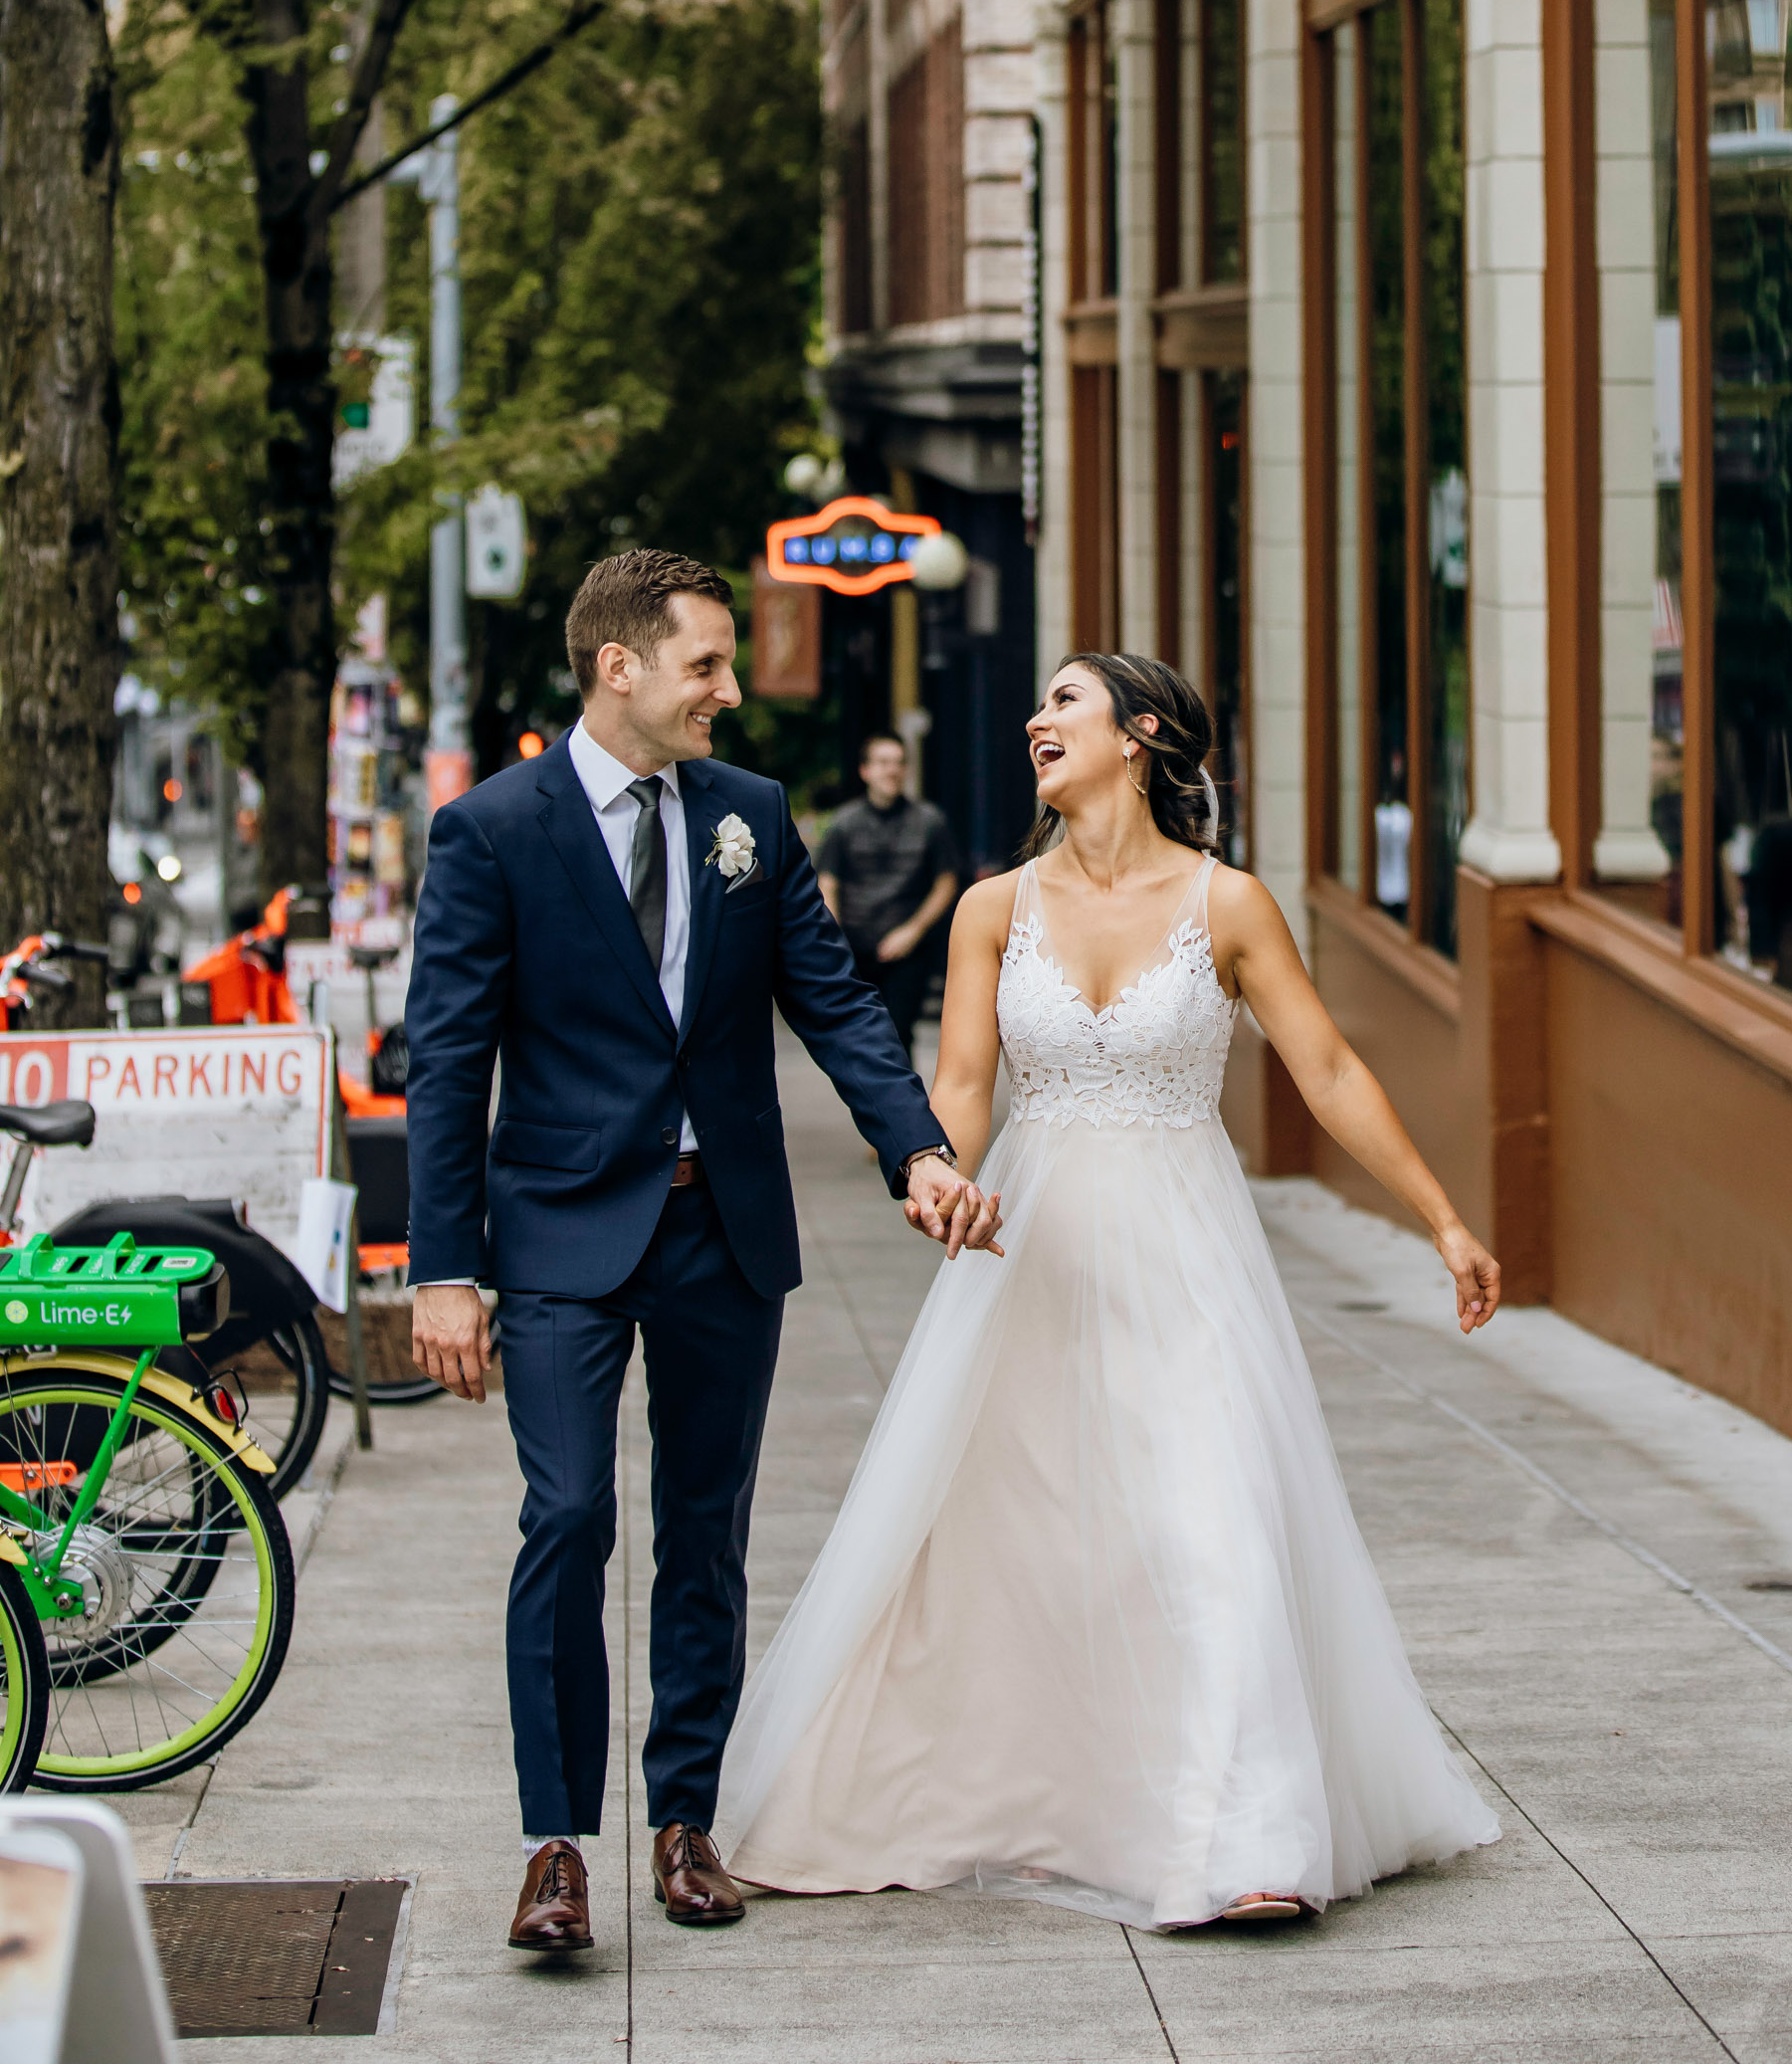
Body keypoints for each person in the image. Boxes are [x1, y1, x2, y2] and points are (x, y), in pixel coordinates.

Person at [718, 649, 1503, 1929]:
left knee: (1212, 1514)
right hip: (1028, 1250)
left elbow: (1330, 1070)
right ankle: (1008, 1789)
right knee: (1002, 1533)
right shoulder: (991, 908)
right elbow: (963, 1084)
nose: (1038, 720)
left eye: (1066, 702)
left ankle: (1252, 1836)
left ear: (1137, 736)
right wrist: (939, 1179)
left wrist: (1446, 1220)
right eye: (1039, 705)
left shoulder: (1229, 904)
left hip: (1185, 1248)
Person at [402, 549, 1000, 1961]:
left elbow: (836, 1000)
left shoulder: (752, 819)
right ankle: (555, 1843)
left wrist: (914, 1147)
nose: (730, 692)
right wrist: (444, 1268)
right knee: (567, 1518)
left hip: (719, 1224)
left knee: (705, 1533)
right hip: (557, 1229)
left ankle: (686, 1820)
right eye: (708, 666)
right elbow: (447, 1060)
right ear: (621, 667)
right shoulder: (492, 831)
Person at [815, 734, 960, 1061]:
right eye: (883, 763)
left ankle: (901, 1110)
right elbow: (828, 883)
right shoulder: (844, 823)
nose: (892, 770)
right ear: (865, 770)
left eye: (898, 762)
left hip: (908, 951)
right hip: (854, 949)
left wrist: (912, 931)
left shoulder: (930, 822)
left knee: (897, 1034)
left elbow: (946, 882)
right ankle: (869, 1109)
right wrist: (836, 942)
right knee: (858, 1036)